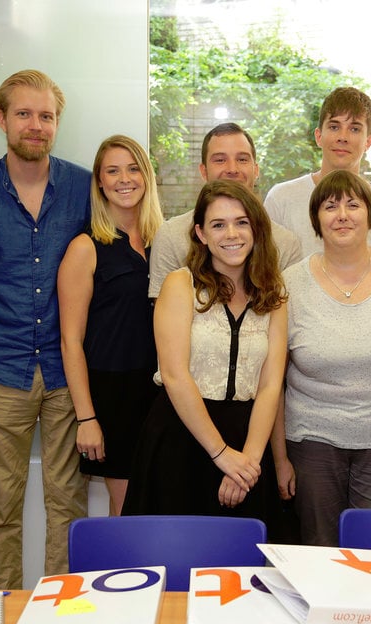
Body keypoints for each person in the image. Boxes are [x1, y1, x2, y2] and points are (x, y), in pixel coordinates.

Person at [0, 69, 91, 589]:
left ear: (57, 123)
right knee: (1, 507)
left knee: (67, 505)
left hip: (67, 369)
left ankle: (61, 614)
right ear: (2, 119)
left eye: (46, 116)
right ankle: (3, 616)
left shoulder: (84, 188)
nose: (36, 125)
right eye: (24, 114)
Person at [273, 170, 371, 546]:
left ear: (370, 216)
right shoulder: (290, 284)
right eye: (330, 206)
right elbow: (272, 381)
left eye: (353, 204)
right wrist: (280, 458)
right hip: (312, 444)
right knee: (319, 551)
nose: (342, 215)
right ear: (316, 221)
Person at [123, 180, 288, 530]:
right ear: (200, 233)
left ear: (256, 228)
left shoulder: (274, 294)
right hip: (181, 439)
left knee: (242, 567)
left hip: (249, 440)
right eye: (218, 224)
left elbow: (271, 384)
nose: (232, 233)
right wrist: (221, 454)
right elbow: (174, 375)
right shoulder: (180, 285)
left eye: (242, 222)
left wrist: (248, 464)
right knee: (173, 560)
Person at [57, 135, 162, 516]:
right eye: (112, 171)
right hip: (113, 393)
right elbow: (70, 341)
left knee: (157, 503)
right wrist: (87, 417)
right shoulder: (85, 247)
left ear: (146, 176)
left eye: (133, 168)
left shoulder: (162, 244)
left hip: (161, 390)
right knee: (127, 508)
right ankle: (120, 577)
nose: (124, 179)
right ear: (99, 182)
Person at [148, 122, 302, 299]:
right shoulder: (171, 236)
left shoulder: (285, 244)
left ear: (256, 170)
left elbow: (290, 316)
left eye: (242, 159)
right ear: (203, 171)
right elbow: (162, 315)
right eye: (220, 160)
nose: (232, 169)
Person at [263, 87, 371, 257]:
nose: (343, 137)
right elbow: (264, 270)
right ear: (318, 136)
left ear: (368, 141)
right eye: (334, 127)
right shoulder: (281, 199)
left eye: (354, 129)